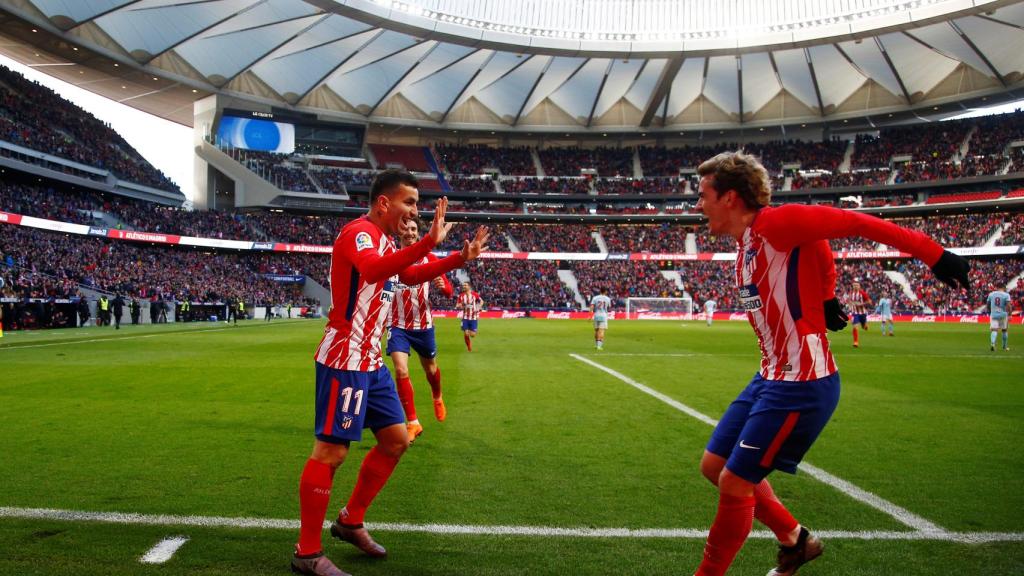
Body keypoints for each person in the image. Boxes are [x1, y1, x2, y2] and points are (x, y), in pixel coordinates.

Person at [691, 151, 969, 576]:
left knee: (734, 481)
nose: (697, 204)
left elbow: (851, 223)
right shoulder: (746, 243)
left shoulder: (777, 223)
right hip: (770, 375)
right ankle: (796, 540)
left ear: (729, 197)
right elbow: (817, 246)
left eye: (702, 194)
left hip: (801, 384)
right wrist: (824, 295)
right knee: (714, 466)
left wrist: (934, 254)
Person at [292, 169, 489, 576]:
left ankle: (350, 521)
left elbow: (410, 276)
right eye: (409, 203)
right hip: (345, 357)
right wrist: (428, 244)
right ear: (384, 203)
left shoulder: (384, 240)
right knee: (332, 452)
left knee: (397, 440)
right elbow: (372, 271)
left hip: (371, 359)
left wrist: (457, 258)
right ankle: (307, 553)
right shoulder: (359, 234)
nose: (415, 211)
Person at [387, 217, 454, 443]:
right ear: (400, 232)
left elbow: (448, 292)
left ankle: (437, 396)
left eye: (413, 228)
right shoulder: (391, 259)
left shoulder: (429, 258)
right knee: (401, 370)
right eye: (405, 228)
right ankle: (413, 422)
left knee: (431, 370)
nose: (409, 232)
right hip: (398, 326)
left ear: (418, 233)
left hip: (423, 326)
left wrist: (443, 286)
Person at [457, 282, 483, 351]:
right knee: (466, 333)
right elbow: (457, 305)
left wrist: (478, 308)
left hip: (473, 317)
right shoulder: (461, 296)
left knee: (472, 335)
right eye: (463, 285)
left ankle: (471, 334)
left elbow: (481, 302)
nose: (464, 286)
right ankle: (469, 346)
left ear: (469, 286)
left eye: (465, 285)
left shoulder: (475, 295)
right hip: (465, 317)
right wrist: (460, 305)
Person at [845, 280, 872, 348]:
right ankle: (856, 342)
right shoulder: (851, 294)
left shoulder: (862, 293)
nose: (855, 286)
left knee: (864, 327)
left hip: (862, 313)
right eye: (854, 285)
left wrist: (862, 304)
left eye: (857, 285)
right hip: (855, 313)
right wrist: (850, 303)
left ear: (859, 286)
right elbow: (848, 300)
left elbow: (869, 301)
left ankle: (865, 325)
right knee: (855, 326)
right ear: (853, 286)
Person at [987, 284, 1012, 351]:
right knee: (1004, 330)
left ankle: (992, 344)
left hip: (994, 314)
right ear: (1003, 287)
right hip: (1003, 314)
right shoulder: (1006, 295)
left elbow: (988, 304)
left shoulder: (991, 294)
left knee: (994, 330)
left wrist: (989, 312)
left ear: (997, 287)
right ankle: (1004, 347)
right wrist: (1010, 314)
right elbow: (1009, 305)